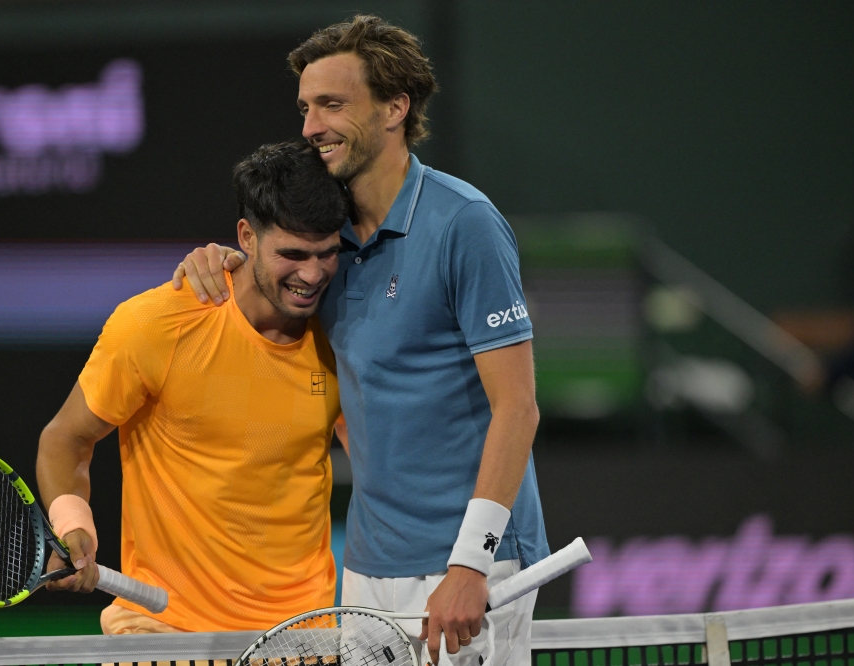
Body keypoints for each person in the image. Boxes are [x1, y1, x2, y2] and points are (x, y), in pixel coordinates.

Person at [173, 15, 548, 666]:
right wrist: (220, 257)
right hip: (370, 567)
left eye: (332, 104)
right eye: (305, 108)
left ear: (395, 108)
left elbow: (518, 408)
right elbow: (269, 265)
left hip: (471, 563)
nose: (311, 126)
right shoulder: (326, 241)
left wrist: (470, 564)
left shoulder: (466, 225)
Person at [36, 141, 348, 634]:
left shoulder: (344, 331)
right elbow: (66, 437)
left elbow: (382, 468)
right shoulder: (156, 324)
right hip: (164, 631)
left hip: (301, 635)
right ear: (246, 235)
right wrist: (74, 525)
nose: (312, 275)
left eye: (327, 254)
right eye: (292, 254)